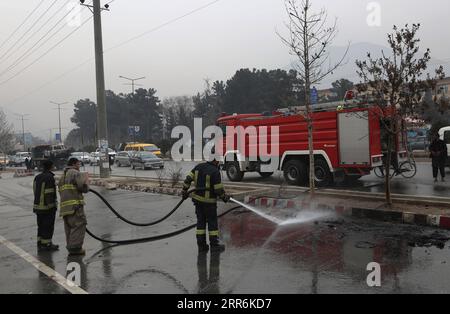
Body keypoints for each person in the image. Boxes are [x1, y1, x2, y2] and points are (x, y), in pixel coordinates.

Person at [182, 155, 231, 253]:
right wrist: (224, 197)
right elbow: (218, 189)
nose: (218, 163)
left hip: (198, 202)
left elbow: (187, 179)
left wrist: (184, 190)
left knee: (201, 223)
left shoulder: (198, 167)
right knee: (212, 225)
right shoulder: (215, 171)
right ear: (215, 160)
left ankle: (201, 246)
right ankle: (214, 246)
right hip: (209, 204)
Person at [58, 157, 89, 256]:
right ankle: (75, 249)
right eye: (79, 164)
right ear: (74, 164)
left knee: (69, 227)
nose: (79, 166)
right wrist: (86, 183)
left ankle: (71, 247)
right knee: (79, 225)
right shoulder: (75, 173)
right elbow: (82, 187)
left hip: (65, 208)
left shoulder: (63, 176)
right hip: (75, 206)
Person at [33, 159, 59, 251]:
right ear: (51, 167)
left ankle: (40, 243)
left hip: (37, 207)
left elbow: (35, 190)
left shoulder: (37, 177)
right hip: (47, 208)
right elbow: (49, 193)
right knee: (48, 226)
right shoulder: (49, 177)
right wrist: (52, 206)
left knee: (40, 226)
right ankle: (47, 244)